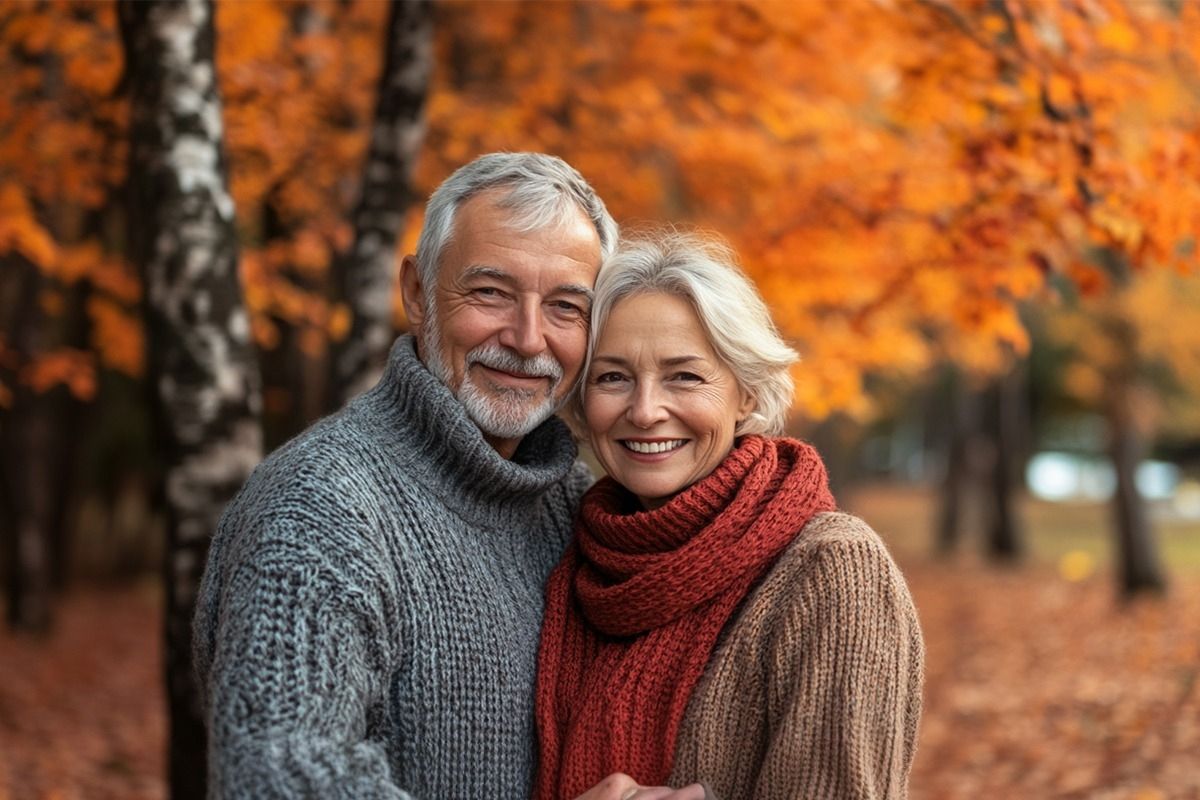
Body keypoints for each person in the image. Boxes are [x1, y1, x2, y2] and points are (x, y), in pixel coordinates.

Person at [192, 152, 621, 799]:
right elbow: (280, 781)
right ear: (418, 294)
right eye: (490, 292)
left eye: (565, 307)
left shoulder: (577, 504)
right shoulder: (319, 506)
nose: (529, 339)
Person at [534, 232, 925, 800]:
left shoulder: (832, 571)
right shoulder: (579, 561)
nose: (644, 411)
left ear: (746, 394)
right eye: (613, 377)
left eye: (684, 376)